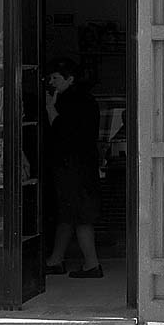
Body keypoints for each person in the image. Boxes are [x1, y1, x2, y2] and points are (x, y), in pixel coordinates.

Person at [43, 58, 104, 278]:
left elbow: (63, 132)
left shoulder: (70, 101)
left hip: (72, 167)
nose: (51, 81)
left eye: (56, 77)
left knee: (77, 214)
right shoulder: (86, 99)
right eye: (50, 77)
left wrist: (50, 108)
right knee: (68, 214)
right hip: (82, 165)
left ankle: (91, 264)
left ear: (70, 79)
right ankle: (56, 260)